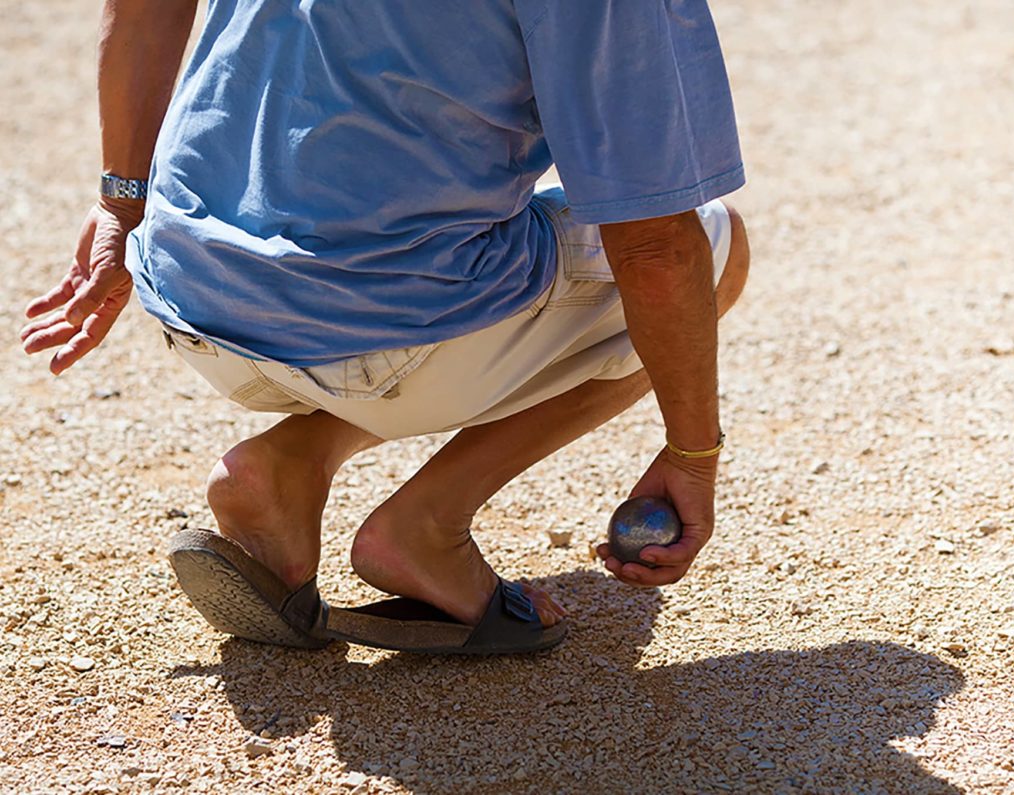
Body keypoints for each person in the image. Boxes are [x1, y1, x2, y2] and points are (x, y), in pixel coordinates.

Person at [20, 0, 749, 654]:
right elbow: (654, 247)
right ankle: (426, 526)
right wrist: (692, 453)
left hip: (189, 294)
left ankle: (290, 463)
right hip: (389, 333)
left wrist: (121, 202)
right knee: (716, 251)